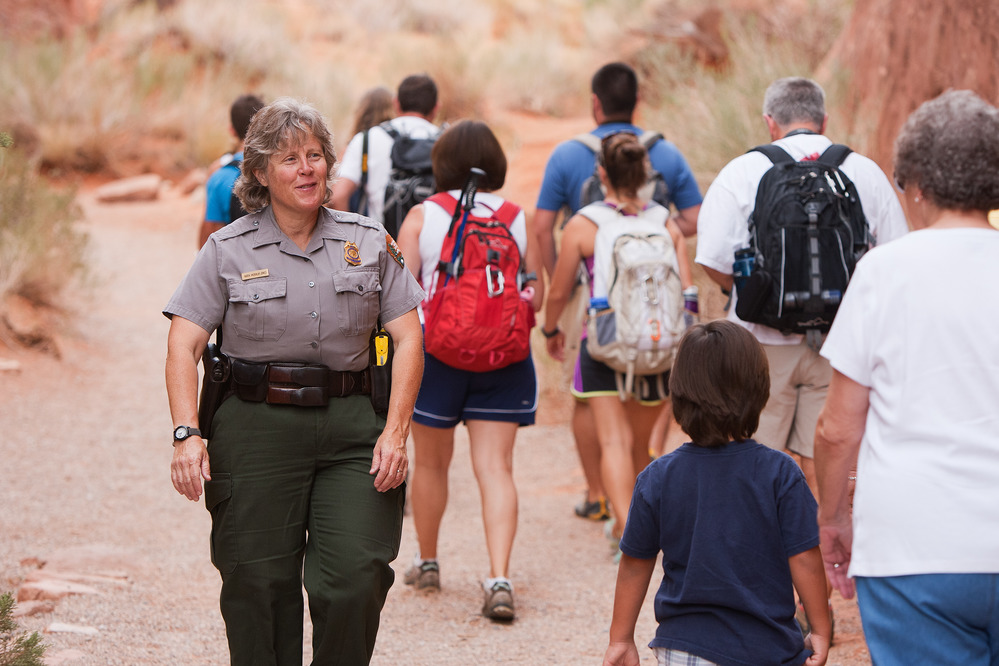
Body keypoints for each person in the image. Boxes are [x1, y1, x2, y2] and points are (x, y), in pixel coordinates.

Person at [164, 97, 425, 665]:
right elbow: (183, 344)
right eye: (289, 159)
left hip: (354, 428)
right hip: (255, 427)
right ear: (259, 172)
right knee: (257, 586)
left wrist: (397, 432)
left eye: (315, 156)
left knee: (354, 579)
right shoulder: (226, 249)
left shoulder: (370, 241)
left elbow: (408, 338)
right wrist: (187, 434)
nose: (306, 169)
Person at [815, 89, 999, 665]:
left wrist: (833, 516)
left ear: (916, 183)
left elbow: (838, 428)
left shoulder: (883, 272)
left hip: (913, 547)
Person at [695, 76, 908, 499]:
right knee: (827, 461)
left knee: (756, 458)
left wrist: (749, 295)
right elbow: (894, 259)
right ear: (823, 119)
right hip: (839, 343)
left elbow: (714, 260)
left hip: (759, 345)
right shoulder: (864, 172)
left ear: (770, 122)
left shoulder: (741, 171)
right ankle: (825, 552)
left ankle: (764, 558)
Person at [604, 320, 830, 666]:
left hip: (683, 649)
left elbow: (635, 563)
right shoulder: (780, 474)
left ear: (678, 394)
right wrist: (819, 627)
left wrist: (620, 638)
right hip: (766, 649)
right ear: (760, 392)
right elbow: (804, 557)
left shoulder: (658, 478)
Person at [534, 61, 703, 523]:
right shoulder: (665, 221)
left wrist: (552, 323)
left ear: (602, 175)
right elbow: (687, 280)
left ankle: (620, 523)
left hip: (603, 335)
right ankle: (647, 519)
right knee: (643, 443)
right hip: (658, 337)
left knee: (611, 438)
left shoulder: (585, 224)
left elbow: (549, 247)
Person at [395, 120, 543, 621]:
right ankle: (499, 577)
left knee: (432, 464)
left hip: (436, 358)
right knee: (496, 469)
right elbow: (535, 295)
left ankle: (428, 561)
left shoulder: (423, 216)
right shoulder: (515, 217)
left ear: (442, 162)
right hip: (505, 358)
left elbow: (398, 295)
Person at [332, 74, 440, 228]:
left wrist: (353, 242)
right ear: (436, 108)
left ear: (396, 103)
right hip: (432, 248)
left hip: (380, 246)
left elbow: (338, 196)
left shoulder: (367, 140)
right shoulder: (447, 142)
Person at [198, 93, 265, 248]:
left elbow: (211, 228)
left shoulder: (218, 174)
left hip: (237, 260)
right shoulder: (277, 168)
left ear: (231, 130)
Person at [345, 85, 395, 216]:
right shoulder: (400, 143)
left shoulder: (357, 144)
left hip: (367, 228)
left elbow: (338, 195)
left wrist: (346, 233)